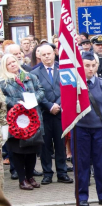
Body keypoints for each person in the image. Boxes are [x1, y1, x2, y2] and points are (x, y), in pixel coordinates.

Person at [70, 51, 102, 206]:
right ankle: (82, 197)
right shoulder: (73, 85)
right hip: (80, 129)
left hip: (99, 129)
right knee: (81, 164)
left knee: (101, 163)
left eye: (93, 65)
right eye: (86, 65)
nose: (90, 69)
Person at [0, 54, 45, 190]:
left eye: (14, 61)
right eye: (9, 63)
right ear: (4, 66)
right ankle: (22, 179)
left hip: (33, 120)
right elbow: (3, 99)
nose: (13, 64)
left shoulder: (29, 76)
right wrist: (17, 104)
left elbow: (41, 90)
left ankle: (30, 176)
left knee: (32, 150)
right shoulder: (3, 82)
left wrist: (33, 100)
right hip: (16, 122)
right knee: (18, 152)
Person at [31, 45, 73, 185]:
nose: (47, 56)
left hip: (60, 113)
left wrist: (58, 105)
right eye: (44, 55)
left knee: (60, 144)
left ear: (54, 54)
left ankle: (62, 173)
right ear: (40, 56)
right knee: (45, 145)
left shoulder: (64, 70)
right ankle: (47, 173)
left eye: (49, 53)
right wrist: (49, 106)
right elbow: (35, 92)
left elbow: (67, 88)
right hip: (44, 114)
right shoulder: (35, 73)